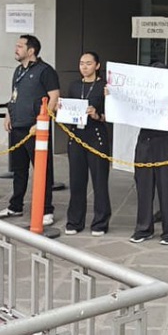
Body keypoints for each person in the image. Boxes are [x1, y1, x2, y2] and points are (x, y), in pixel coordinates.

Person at [0, 35, 61, 225]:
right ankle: (16, 205)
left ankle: (46, 210)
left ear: (31, 51)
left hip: (36, 129)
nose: (16, 49)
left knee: (42, 169)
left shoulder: (45, 71)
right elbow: (14, 96)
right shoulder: (18, 71)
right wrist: (9, 114)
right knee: (19, 169)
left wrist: (41, 122)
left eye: (20, 46)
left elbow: (54, 97)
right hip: (17, 127)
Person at [128, 69, 168, 245]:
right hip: (145, 141)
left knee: (166, 187)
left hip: (166, 141)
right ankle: (143, 229)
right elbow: (126, 108)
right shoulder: (140, 91)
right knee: (143, 187)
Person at [61, 51, 112, 236]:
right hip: (76, 137)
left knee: (99, 181)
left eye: (89, 63)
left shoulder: (104, 86)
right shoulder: (74, 86)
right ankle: (75, 221)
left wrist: (97, 115)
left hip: (96, 136)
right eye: (82, 63)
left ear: (97, 66)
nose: (84, 67)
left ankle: (100, 222)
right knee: (76, 181)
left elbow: (112, 115)